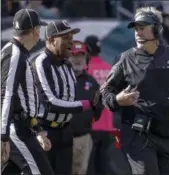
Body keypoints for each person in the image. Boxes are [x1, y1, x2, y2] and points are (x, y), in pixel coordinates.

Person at [101, 6, 169, 175]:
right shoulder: (124, 59)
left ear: (157, 29)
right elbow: (106, 92)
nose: (138, 32)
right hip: (138, 133)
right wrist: (117, 100)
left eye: (143, 28)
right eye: (136, 29)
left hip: (168, 133)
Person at [32, 21, 100, 175]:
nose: (71, 41)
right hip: (45, 131)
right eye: (65, 37)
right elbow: (50, 102)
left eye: (71, 36)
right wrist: (87, 105)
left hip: (65, 132)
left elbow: (70, 97)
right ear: (50, 39)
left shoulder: (67, 65)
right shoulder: (41, 61)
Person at [1, 9, 54, 175]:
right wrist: (3, 136)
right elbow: (7, 94)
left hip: (18, 126)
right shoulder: (15, 54)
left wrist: (37, 130)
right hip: (15, 129)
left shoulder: (12, 51)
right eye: (39, 29)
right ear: (35, 31)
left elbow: (21, 103)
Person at [69, 40, 103, 175]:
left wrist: (87, 121)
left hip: (83, 137)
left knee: (80, 171)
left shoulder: (92, 82)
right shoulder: (60, 78)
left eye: (81, 56)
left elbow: (98, 106)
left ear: (86, 58)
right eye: (74, 55)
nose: (78, 59)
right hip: (61, 136)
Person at [84, 35, 113, 174]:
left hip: (91, 124)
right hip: (108, 125)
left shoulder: (86, 70)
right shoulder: (109, 68)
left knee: (88, 165)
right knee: (103, 164)